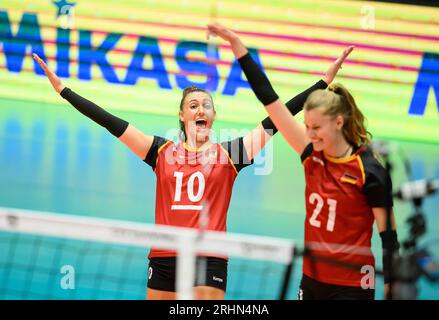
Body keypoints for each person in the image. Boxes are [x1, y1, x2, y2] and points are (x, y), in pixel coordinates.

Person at [32, 39, 348, 300]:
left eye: (206, 105)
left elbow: (276, 119)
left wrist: (322, 83)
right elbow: (108, 121)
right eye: (193, 105)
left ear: (213, 116)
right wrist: (64, 91)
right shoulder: (159, 151)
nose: (200, 109)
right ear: (182, 115)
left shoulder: (231, 154)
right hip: (164, 255)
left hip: (209, 255)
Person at [207, 22, 399, 300]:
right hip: (311, 280)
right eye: (306, 126)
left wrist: (392, 288)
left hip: (353, 285)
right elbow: (270, 100)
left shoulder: (369, 170)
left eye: (316, 128)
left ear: (338, 122)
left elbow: (389, 239)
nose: (309, 134)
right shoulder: (311, 154)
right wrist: (237, 45)